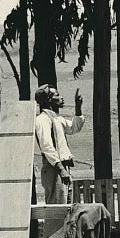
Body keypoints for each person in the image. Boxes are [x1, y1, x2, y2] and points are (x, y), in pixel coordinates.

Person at [34, 85, 85, 224]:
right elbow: (47, 147)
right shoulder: (42, 120)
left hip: (63, 168)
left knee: (66, 210)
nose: (61, 97)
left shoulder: (57, 119)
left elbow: (74, 127)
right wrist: (61, 169)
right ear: (49, 100)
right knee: (56, 211)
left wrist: (78, 107)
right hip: (55, 169)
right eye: (57, 95)